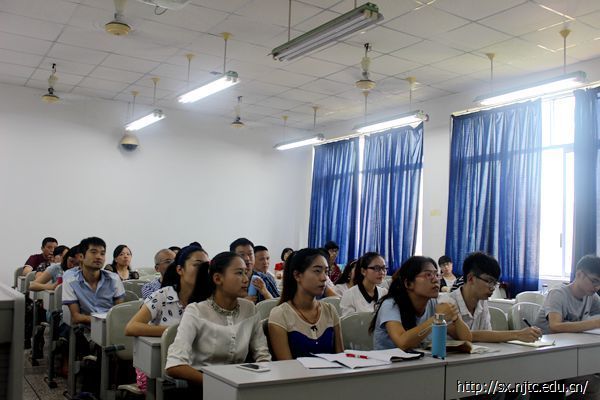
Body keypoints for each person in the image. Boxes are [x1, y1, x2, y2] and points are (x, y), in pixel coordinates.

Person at [165, 252, 271, 388]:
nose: (246, 279)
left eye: (246, 273)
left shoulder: (249, 308)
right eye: (239, 273)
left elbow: (263, 356)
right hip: (203, 384)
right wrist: (219, 384)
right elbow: (174, 365)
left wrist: (260, 381)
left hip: (240, 383)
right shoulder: (196, 311)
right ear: (217, 279)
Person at [126, 245, 206, 392]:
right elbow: (132, 327)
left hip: (198, 363)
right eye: (197, 265)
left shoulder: (208, 300)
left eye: (206, 266)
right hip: (163, 363)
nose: (203, 270)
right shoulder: (163, 295)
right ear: (180, 269)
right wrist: (175, 332)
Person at [370, 256, 471, 350]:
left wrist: (455, 316)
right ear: (408, 283)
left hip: (420, 361)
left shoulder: (434, 302)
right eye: (428, 275)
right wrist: (437, 318)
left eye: (436, 275)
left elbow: (466, 338)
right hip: (389, 362)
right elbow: (402, 343)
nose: (436, 280)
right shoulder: (391, 305)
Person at [439, 252, 541, 342]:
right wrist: (517, 334)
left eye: (494, 283)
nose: (492, 288)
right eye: (489, 281)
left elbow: (487, 335)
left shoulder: (482, 302)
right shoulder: (447, 302)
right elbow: (466, 336)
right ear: (470, 278)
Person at [268, 248, 343, 360]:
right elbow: (286, 365)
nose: (324, 278)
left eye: (326, 272)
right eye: (317, 271)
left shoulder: (330, 310)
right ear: (297, 275)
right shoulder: (280, 314)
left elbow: (341, 358)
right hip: (295, 371)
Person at [62, 237, 125, 324]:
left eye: (102, 253)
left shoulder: (114, 279)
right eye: (93, 252)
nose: (99, 257)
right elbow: (76, 317)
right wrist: (102, 322)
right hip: (85, 328)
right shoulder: (71, 282)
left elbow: (119, 312)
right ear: (81, 257)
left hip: (111, 327)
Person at [535, 255, 600, 333]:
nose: (597, 287)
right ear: (579, 274)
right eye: (594, 281)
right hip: (545, 339)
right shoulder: (557, 294)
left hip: (569, 339)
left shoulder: (592, 296)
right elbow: (555, 326)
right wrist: (595, 323)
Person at [229, 238, 275, 302]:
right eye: (242, 255)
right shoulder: (228, 281)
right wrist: (241, 303)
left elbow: (279, 305)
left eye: (250, 254)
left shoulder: (264, 278)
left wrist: (265, 292)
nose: (247, 258)